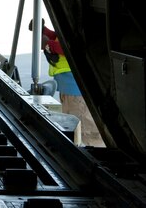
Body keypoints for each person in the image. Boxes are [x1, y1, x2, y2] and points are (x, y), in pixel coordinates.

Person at [30, 18, 105, 146]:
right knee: (75, 130)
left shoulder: (88, 25)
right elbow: (62, 37)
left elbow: (73, 47)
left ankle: (97, 162)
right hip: (70, 90)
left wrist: (50, 45)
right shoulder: (75, 23)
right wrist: (45, 31)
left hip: (78, 91)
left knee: (87, 134)